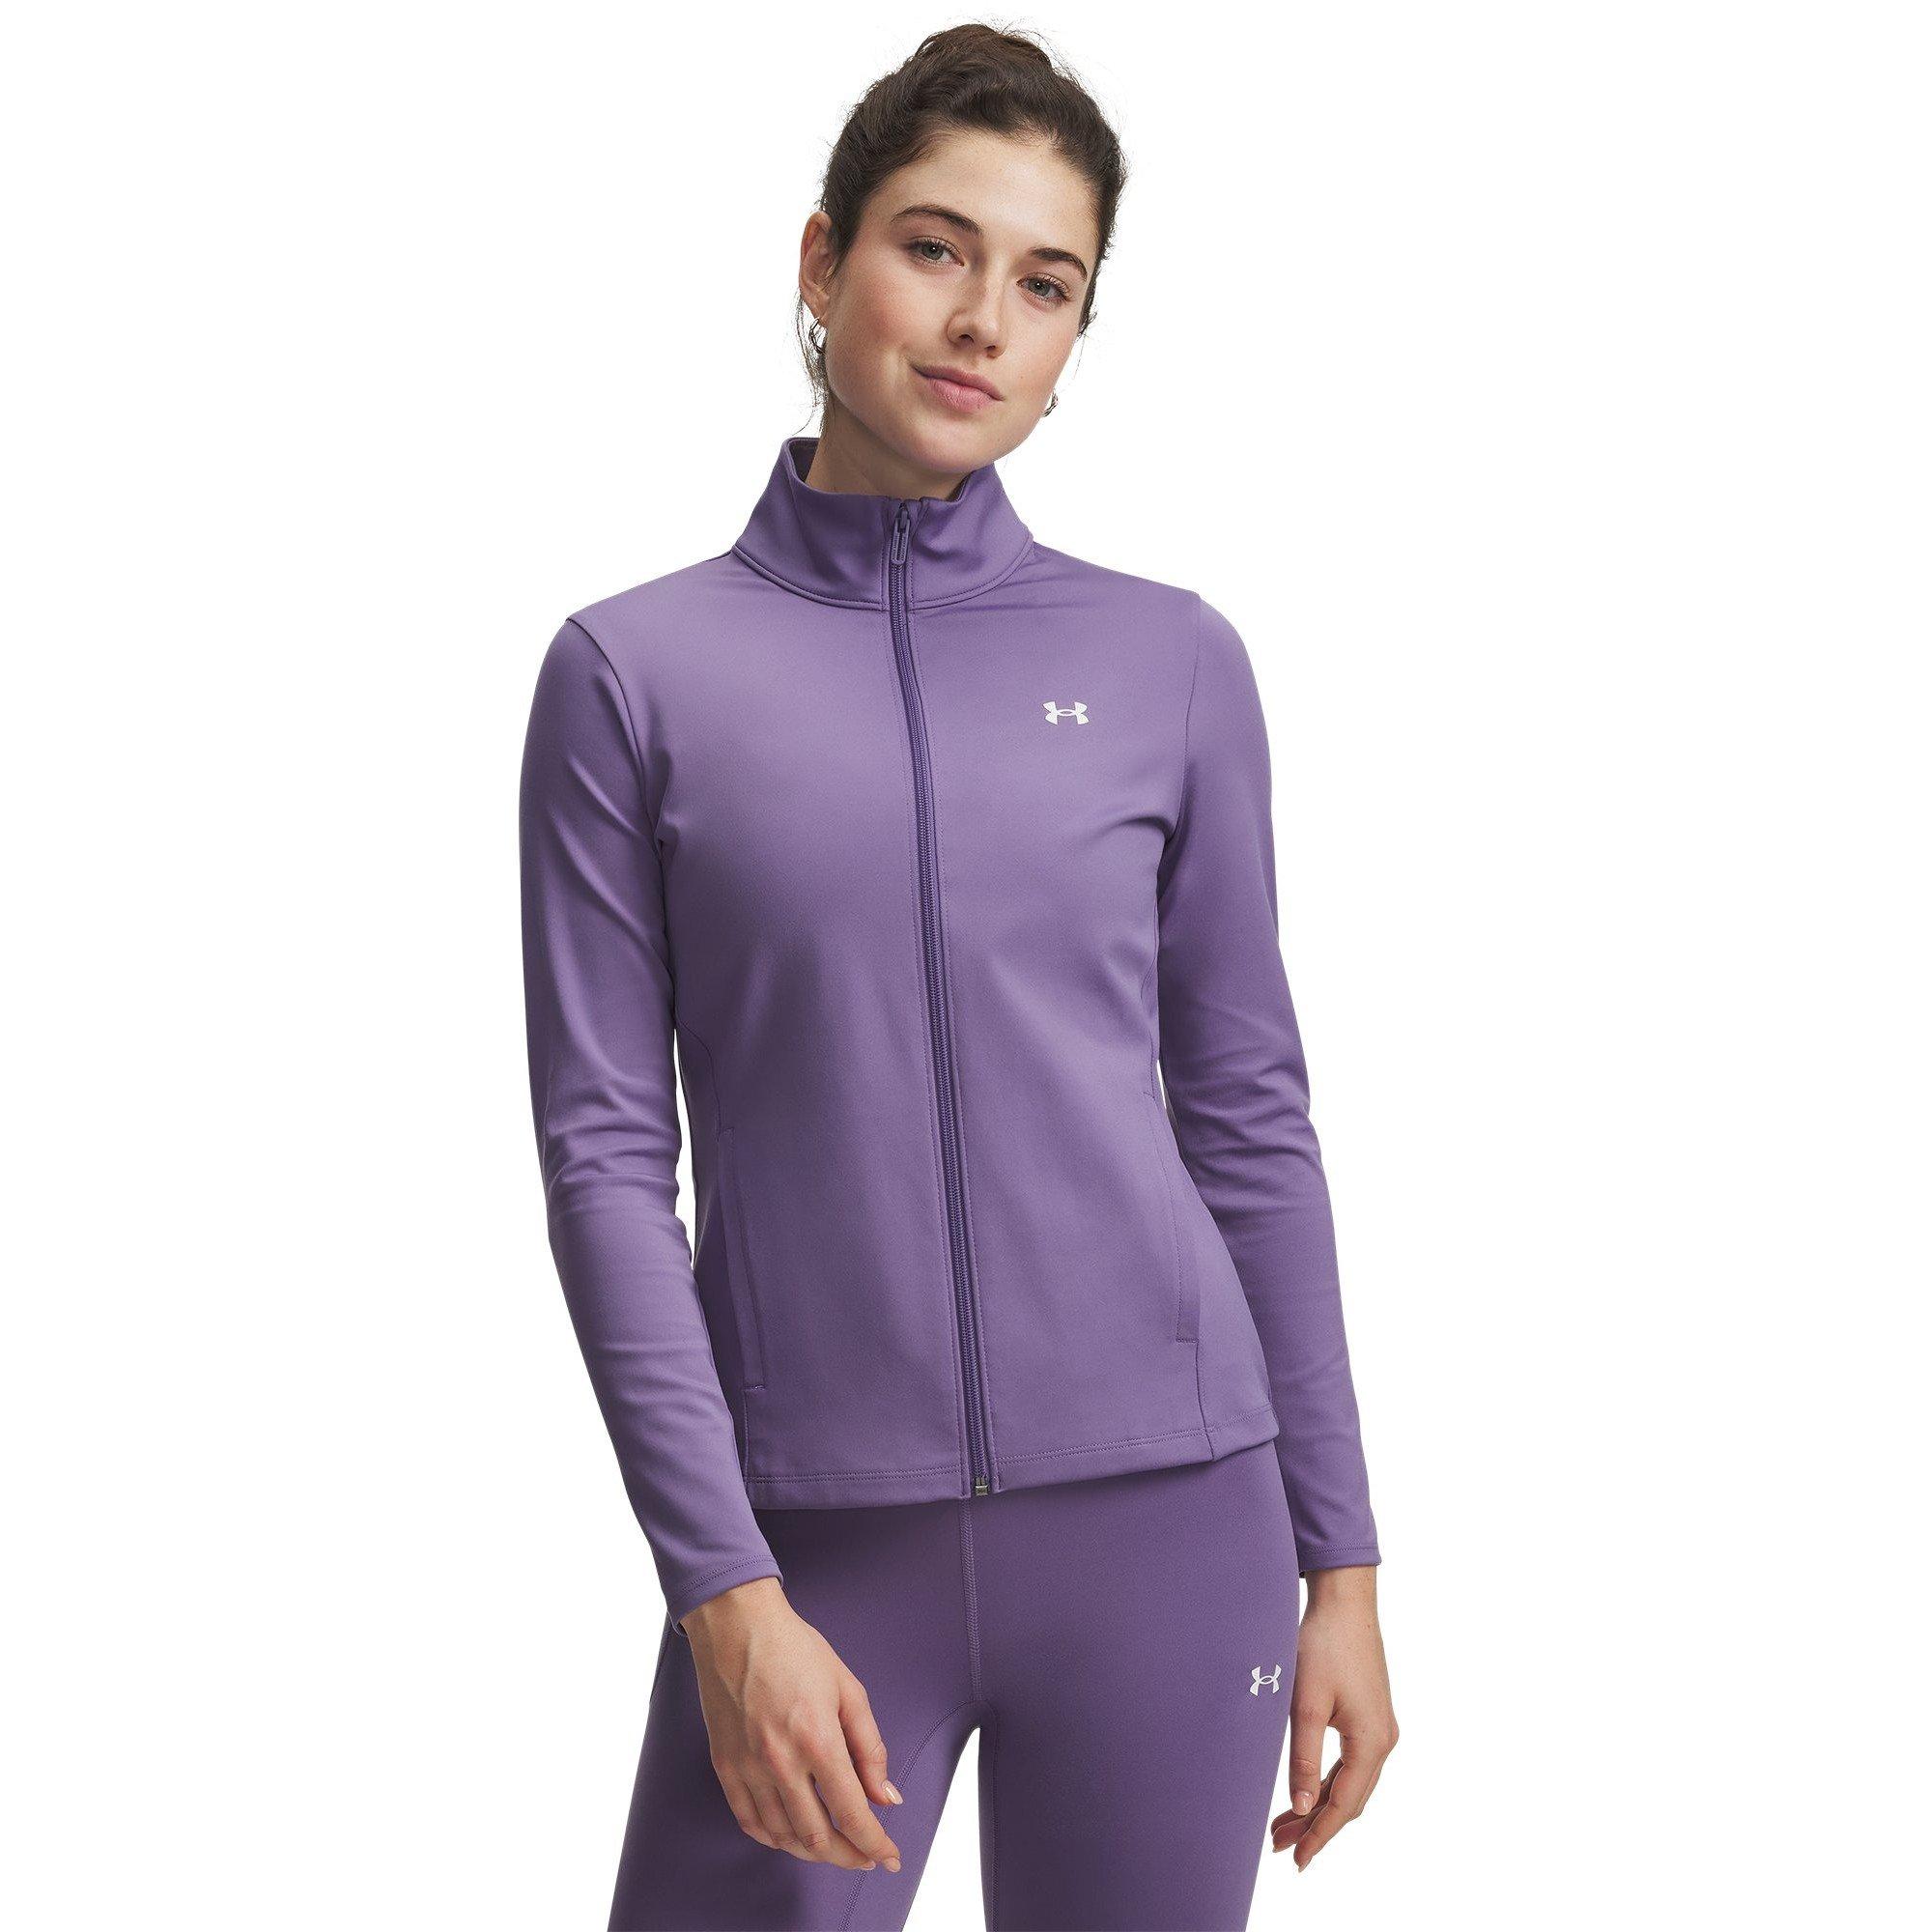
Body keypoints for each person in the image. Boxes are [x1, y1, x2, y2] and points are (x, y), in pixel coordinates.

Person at [519, 24, 1397, 1931]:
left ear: (1077, 335)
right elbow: (604, 1163)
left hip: (1179, 1531)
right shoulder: (633, 677)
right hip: (812, 1550)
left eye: (1046, 282)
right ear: (822, 259)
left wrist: (1341, 1561)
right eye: (934, 247)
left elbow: (1249, 1117)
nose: (983, 319)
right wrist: (722, 1594)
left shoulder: (1169, 663)